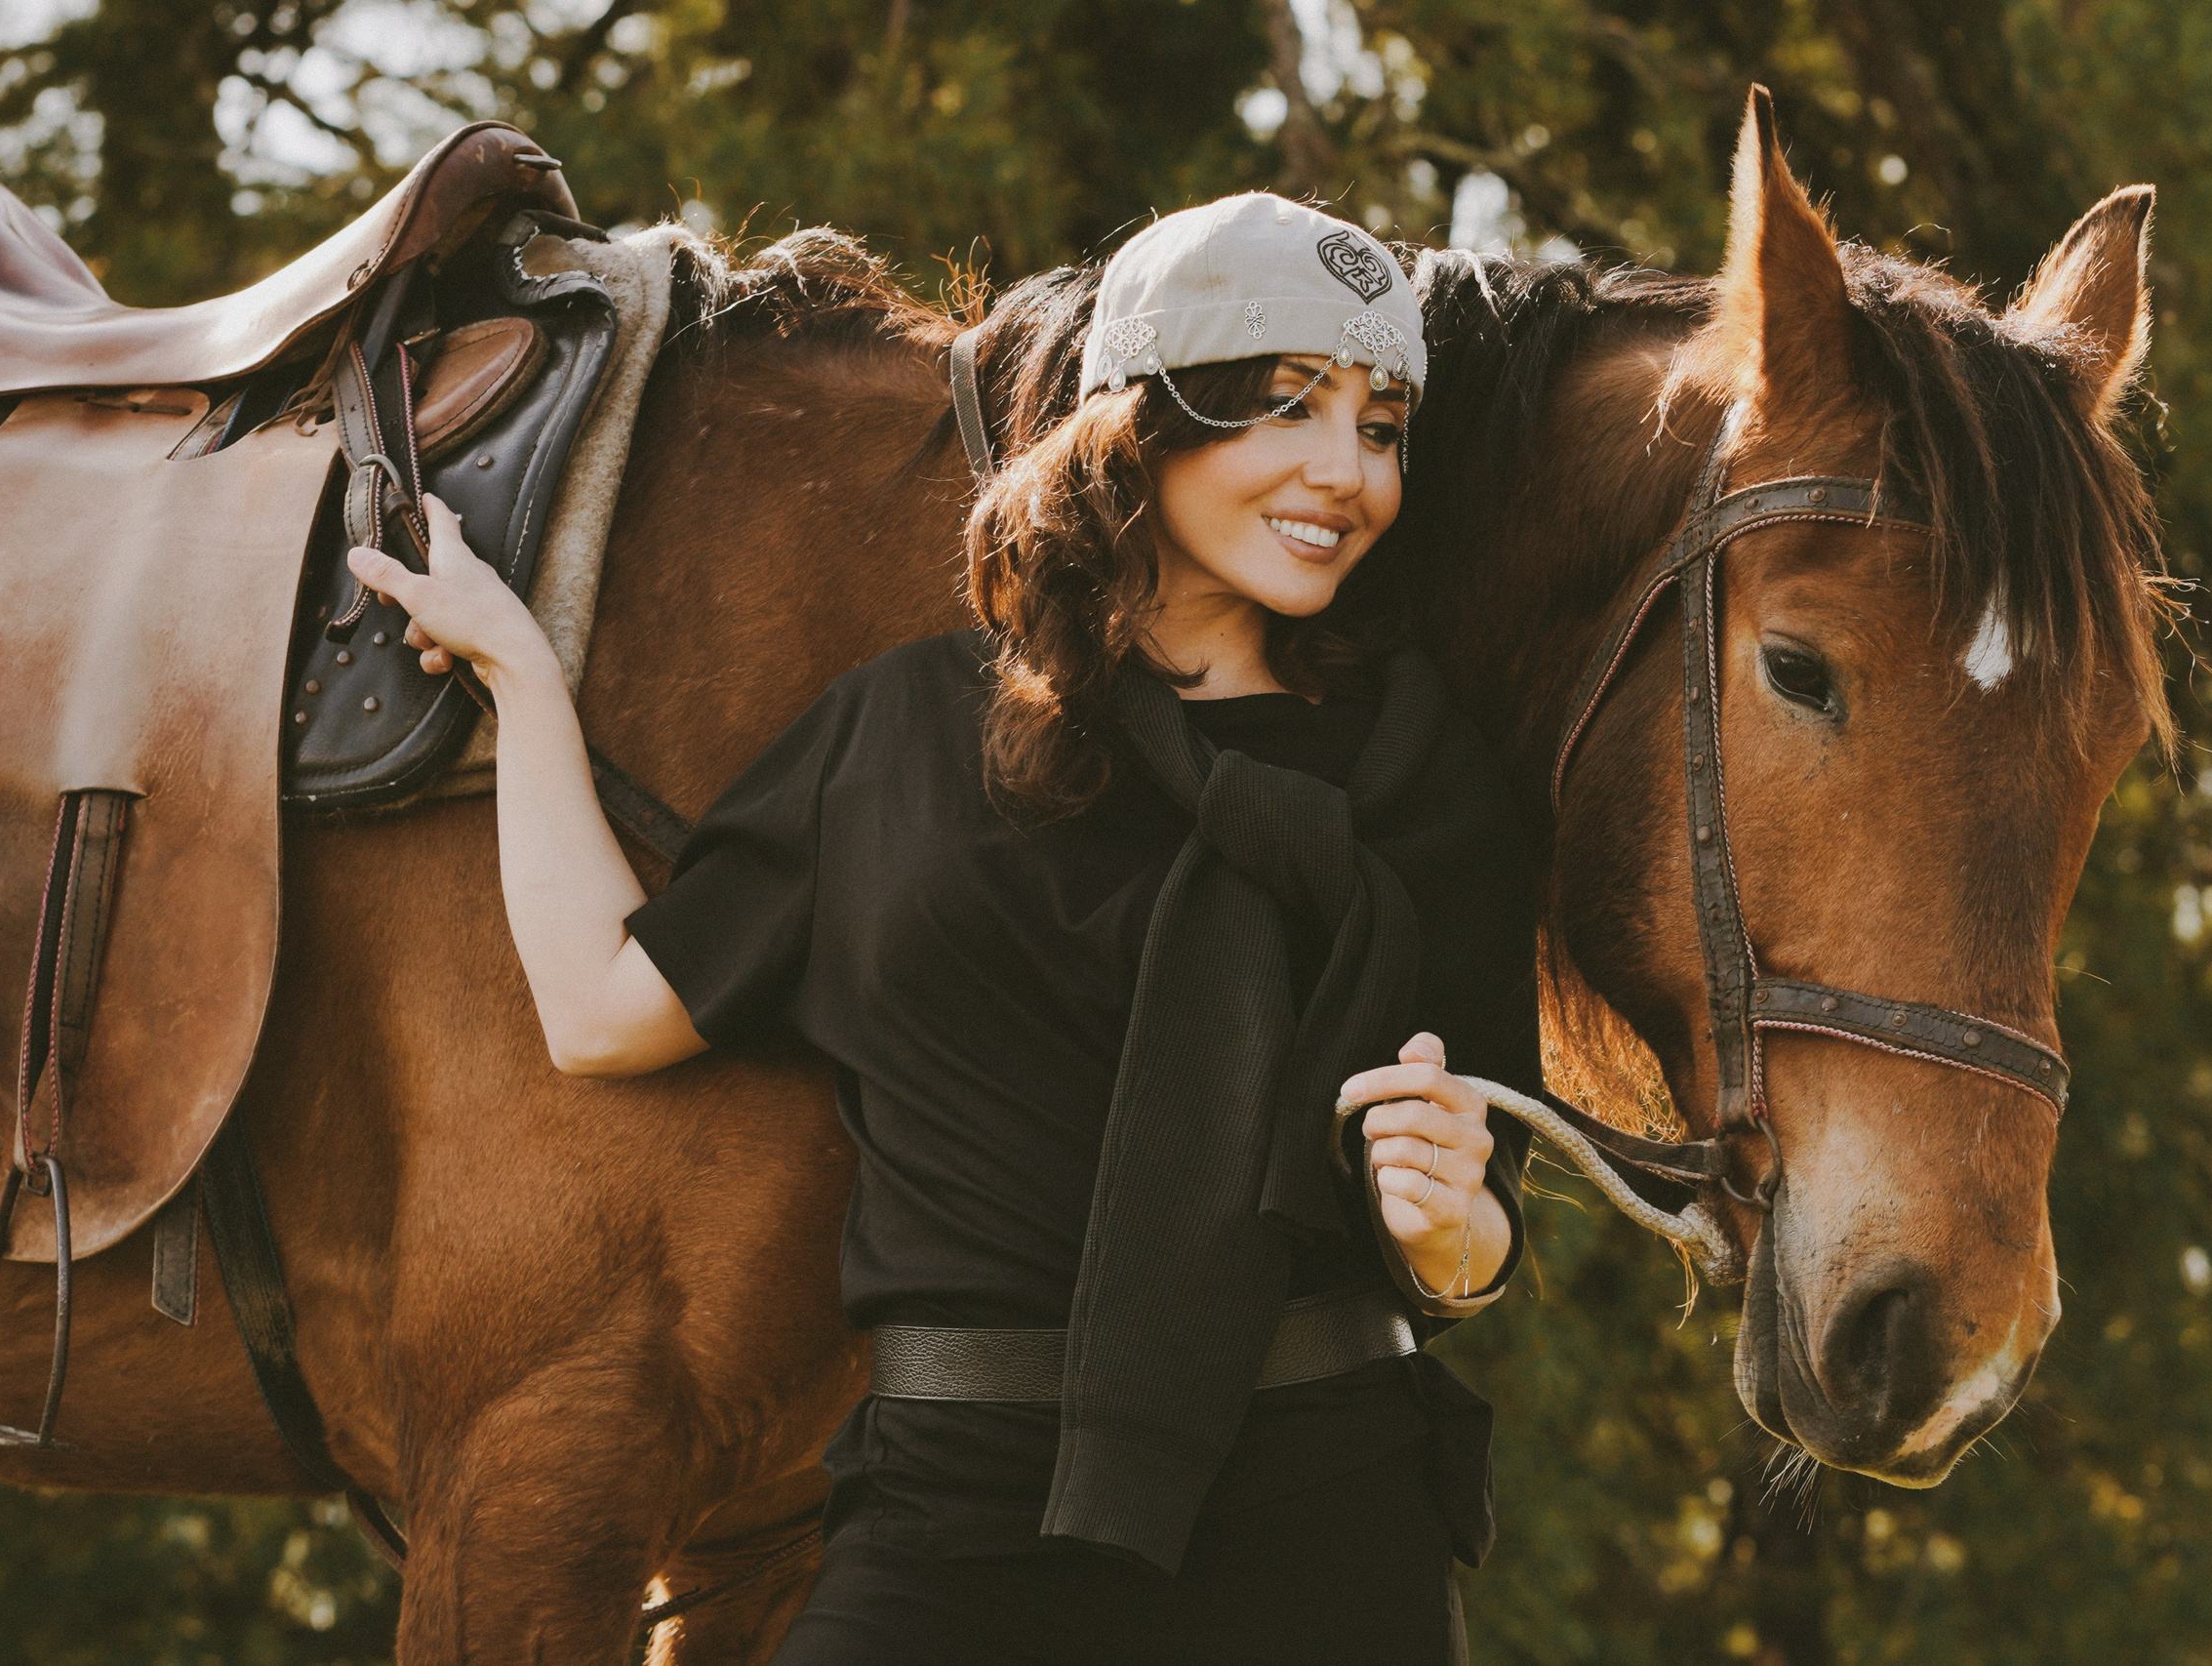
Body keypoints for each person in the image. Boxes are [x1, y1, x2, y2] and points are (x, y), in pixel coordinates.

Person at [346, 192, 1542, 1665]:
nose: (1344, 471)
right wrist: (524, 679)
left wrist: (1456, 1230)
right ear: (1139, 422)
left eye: (1382, 426)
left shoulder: (1431, 781)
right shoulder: (904, 734)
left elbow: (1475, 1234)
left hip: (1327, 1515)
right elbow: (603, 1010)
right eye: (1286, 406)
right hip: (958, 1517)